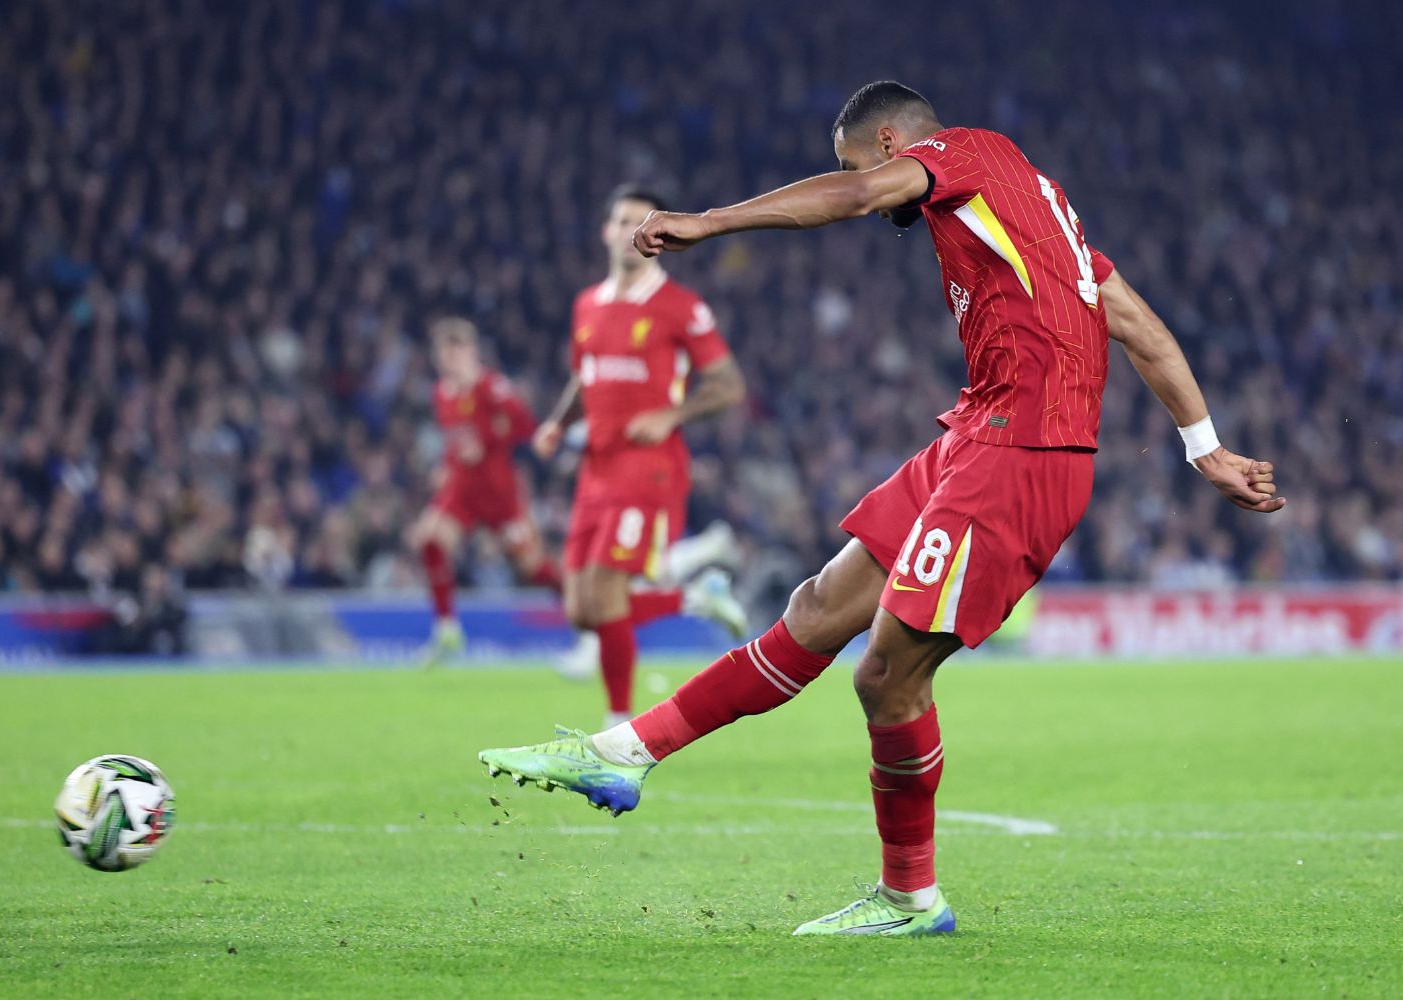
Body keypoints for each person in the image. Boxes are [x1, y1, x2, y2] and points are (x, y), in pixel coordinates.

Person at [479, 83, 1285, 935]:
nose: (863, 187)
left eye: (854, 160)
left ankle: (910, 898)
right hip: (975, 433)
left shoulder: (961, 156)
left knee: (886, 674)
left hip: (1024, 454)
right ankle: (620, 754)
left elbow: (861, 194)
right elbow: (1137, 324)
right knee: (818, 608)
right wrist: (1205, 447)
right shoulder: (1032, 209)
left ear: (895, 145)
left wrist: (710, 222)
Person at [533, 184, 750, 725]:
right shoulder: (587, 305)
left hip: (648, 467)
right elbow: (585, 378)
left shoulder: (681, 307)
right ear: (606, 232)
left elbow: (728, 385)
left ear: (657, 240)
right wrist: (558, 424)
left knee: (607, 587)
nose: (630, 234)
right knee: (582, 610)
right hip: (596, 468)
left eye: (643, 224)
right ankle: (694, 596)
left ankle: (617, 726)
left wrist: (671, 416)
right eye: (622, 221)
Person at [408, 317, 562, 662]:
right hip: (461, 489)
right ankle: (447, 629)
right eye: (445, 354)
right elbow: (456, 441)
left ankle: (587, 621)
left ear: (472, 352)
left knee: (531, 568)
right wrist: (446, 466)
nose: (450, 360)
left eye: (457, 352)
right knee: (429, 538)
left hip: (498, 492)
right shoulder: (441, 393)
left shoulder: (492, 387)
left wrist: (489, 440)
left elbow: (523, 426)